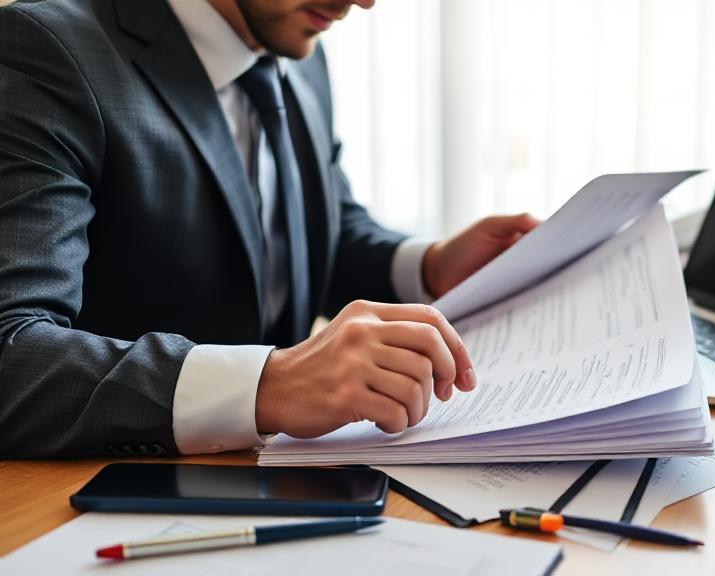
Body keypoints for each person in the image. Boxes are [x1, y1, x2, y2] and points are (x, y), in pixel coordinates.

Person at [0, 0, 538, 458]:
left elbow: (304, 233)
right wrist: (269, 385)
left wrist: (429, 265)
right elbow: (12, 354)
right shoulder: (44, 51)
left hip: (277, 475)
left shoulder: (297, 49)